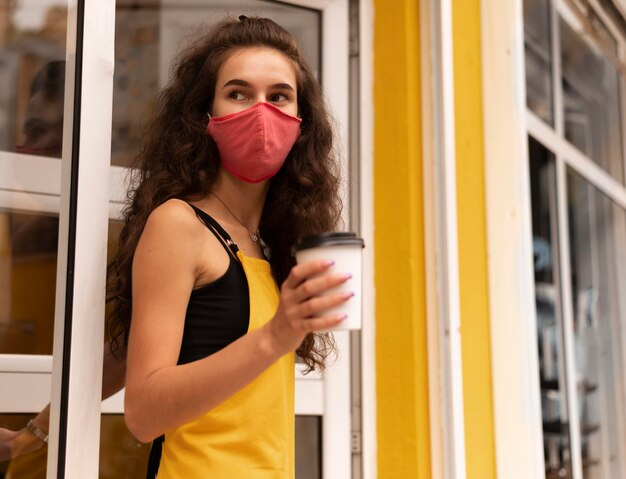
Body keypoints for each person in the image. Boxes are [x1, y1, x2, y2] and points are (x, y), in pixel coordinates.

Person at [106, 15, 348, 477]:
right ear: (205, 114)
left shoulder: (278, 241)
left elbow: (126, 352)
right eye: (238, 93)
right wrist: (276, 336)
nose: (261, 112)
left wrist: (38, 430)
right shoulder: (179, 224)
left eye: (279, 96)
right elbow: (142, 413)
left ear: (301, 122)